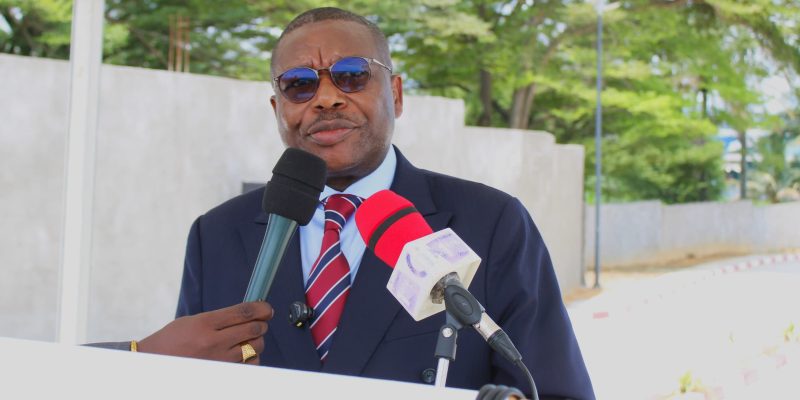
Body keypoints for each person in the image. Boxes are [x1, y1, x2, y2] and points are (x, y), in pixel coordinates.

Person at [132, 7, 593, 399]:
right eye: (299, 85)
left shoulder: (491, 223)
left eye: (352, 76)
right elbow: (184, 384)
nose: (326, 99)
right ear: (277, 109)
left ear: (396, 94)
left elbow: (553, 390)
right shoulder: (216, 236)